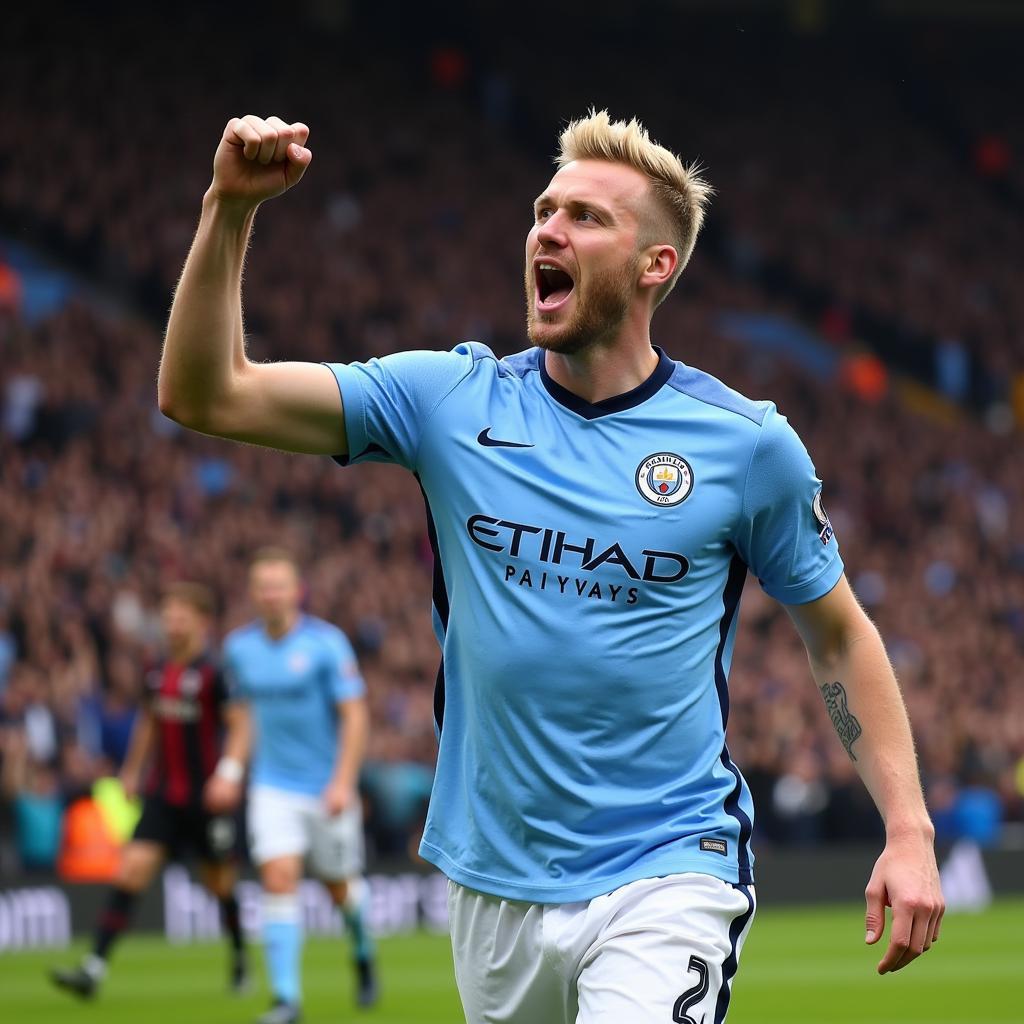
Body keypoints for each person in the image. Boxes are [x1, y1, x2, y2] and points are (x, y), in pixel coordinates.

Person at [158, 110, 944, 1023]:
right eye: (544, 209)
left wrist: (908, 827)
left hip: (666, 868)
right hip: (493, 880)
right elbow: (204, 393)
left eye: (585, 217)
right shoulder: (450, 400)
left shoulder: (744, 445)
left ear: (657, 265)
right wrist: (228, 208)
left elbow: (840, 634)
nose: (547, 229)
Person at [50, 583, 249, 998]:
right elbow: (149, 721)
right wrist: (132, 770)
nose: (173, 623)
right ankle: (93, 968)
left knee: (220, 884)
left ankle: (239, 956)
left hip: (206, 798)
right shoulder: (156, 670)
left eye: (181, 616)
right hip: (163, 795)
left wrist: (228, 774)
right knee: (130, 871)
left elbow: (240, 726)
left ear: (201, 622)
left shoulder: (216, 672)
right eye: (168, 615)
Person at [209, 548, 376, 1024]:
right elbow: (240, 720)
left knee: (339, 888)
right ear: (253, 594)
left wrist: (343, 781)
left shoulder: (327, 645)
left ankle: (362, 951)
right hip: (272, 786)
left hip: (326, 787)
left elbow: (355, 715)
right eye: (263, 586)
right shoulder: (239, 649)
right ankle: (286, 999)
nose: (271, 594)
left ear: (297, 591)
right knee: (278, 877)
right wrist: (231, 771)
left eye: (279, 585)